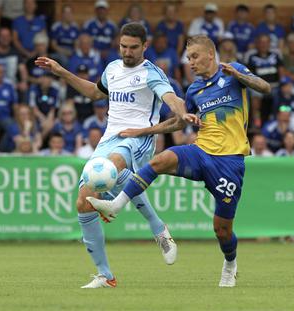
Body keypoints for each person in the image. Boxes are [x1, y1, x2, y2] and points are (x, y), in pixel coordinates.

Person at [86, 35, 271, 287]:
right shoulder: (194, 89)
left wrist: (241, 77)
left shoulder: (234, 71)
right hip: (201, 151)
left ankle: (230, 263)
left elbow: (265, 87)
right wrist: (143, 131)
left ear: (210, 54)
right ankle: (115, 205)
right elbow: (179, 121)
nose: (191, 63)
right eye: (188, 58)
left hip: (230, 161)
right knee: (159, 161)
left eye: (194, 57)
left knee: (222, 229)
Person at [35, 23, 199, 289]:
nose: (128, 52)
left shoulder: (151, 73)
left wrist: (182, 112)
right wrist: (61, 72)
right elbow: (93, 92)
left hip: (139, 138)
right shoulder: (112, 68)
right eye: (124, 46)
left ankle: (143, 220)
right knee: (83, 203)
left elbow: (171, 98)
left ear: (144, 46)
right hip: (109, 138)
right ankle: (106, 274)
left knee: (112, 168)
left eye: (134, 47)